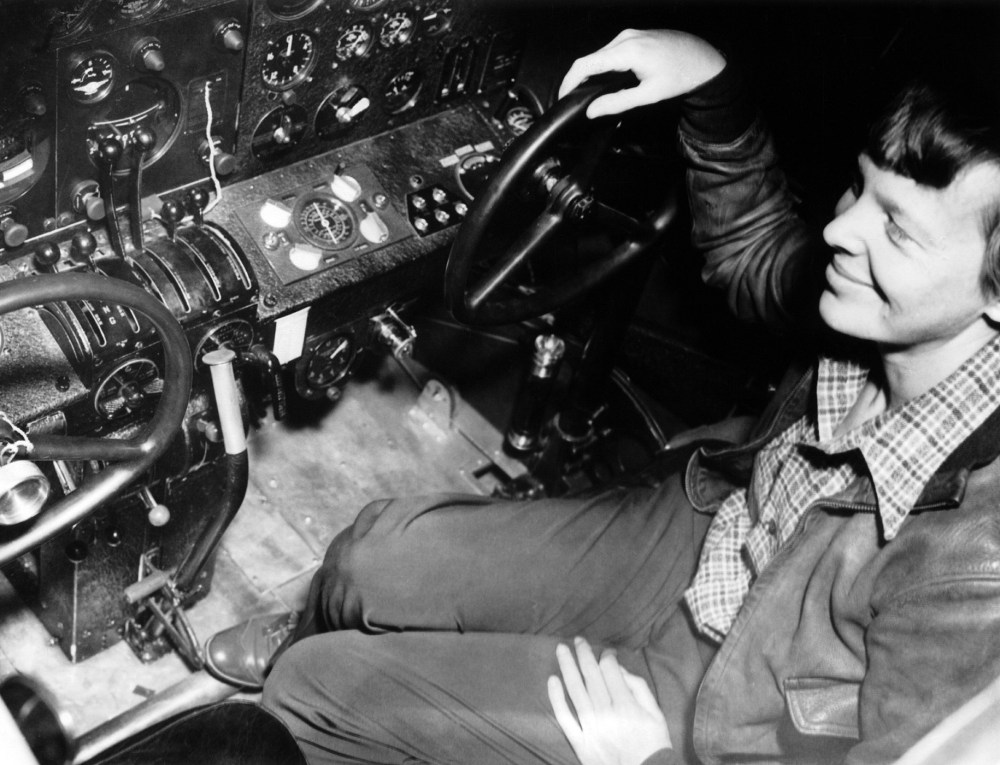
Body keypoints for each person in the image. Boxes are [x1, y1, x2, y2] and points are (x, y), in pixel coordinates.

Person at [203, 27, 1000, 765]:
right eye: (859, 192)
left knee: (313, 696)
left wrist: (648, 758)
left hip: (722, 712)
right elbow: (763, 255)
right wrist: (711, 84)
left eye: (896, 229)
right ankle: (330, 618)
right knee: (370, 556)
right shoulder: (876, 315)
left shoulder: (977, 575)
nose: (841, 231)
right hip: (719, 530)